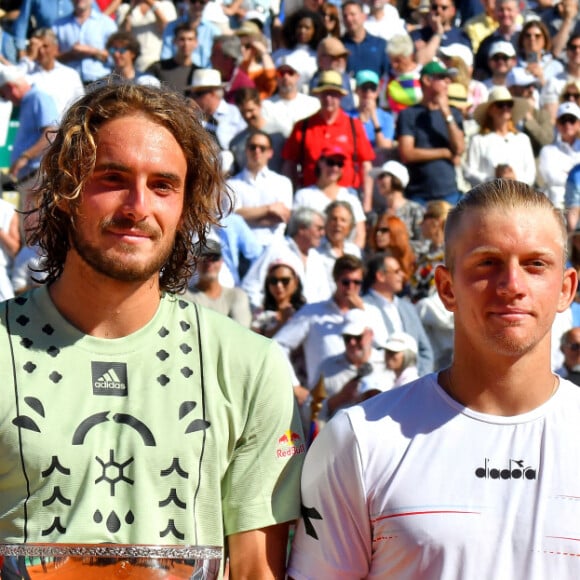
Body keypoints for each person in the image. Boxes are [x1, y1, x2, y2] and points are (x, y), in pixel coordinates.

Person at [0, 83, 304, 574]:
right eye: (112, 178)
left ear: (186, 208)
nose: (137, 206)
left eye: (163, 185)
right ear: (64, 192)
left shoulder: (250, 366)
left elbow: (255, 568)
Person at [288, 178, 580, 578]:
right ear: (446, 288)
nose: (512, 286)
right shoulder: (360, 440)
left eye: (535, 264)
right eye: (487, 263)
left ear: (566, 289)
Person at [274, 254, 388, 389]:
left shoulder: (371, 312)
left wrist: (361, 312)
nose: (351, 287)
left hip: (367, 393)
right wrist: (294, 386)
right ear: (336, 281)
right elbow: (278, 345)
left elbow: (383, 349)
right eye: (346, 282)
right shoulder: (313, 312)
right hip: (326, 398)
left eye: (357, 282)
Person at [282, 69, 375, 212]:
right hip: (311, 197)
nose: (328, 99)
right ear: (318, 95)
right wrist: (292, 195)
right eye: (325, 93)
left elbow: (366, 165)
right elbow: (289, 164)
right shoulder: (303, 126)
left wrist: (367, 201)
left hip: (345, 196)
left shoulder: (353, 125)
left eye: (333, 94)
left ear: (341, 97)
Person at [397, 60, 466, 205]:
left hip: (449, 192)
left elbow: (459, 148)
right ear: (427, 80)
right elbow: (407, 153)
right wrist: (444, 152)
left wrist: (446, 112)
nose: (447, 81)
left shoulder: (453, 114)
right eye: (441, 77)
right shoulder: (409, 114)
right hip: (418, 195)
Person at [363, 251, 433, 376]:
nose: (402, 275)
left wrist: (418, 379)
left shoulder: (408, 307)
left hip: (415, 384)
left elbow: (425, 350)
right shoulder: (363, 307)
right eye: (396, 271)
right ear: (380, 276)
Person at [227, 129, 293, 251]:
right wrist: (269, 209)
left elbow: (283, 216)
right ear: (246, 150)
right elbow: (233, 217)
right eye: (253, 147)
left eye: (262, 148)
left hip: (274, 248)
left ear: (270, 152)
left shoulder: (282, 182)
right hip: (242, 249)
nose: (257, 151)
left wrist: (247, 216)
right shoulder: (232, 184)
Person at [293, 145, 367, 249]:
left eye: (339, 164)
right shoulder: (303, 195)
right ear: (320, 163)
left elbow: (360, 233)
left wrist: (351, 255)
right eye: (330, 163)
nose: (335, 168)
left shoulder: (351, 195)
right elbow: (296, 231)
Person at [464, 86, 535, 187]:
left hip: (517, 197)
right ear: (490, 110)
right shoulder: (478, 140)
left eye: (509, 105)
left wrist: (514, 178)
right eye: (500, 105)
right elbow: (469, 172)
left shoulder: (522, 139)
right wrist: (493, 179)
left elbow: (530, 173)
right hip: (489, 198)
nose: (505, 108)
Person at [18, 27, 85, 122]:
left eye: (45, 46)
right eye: (37, 47)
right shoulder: (26, 73)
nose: (41, 51)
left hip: (63, 131)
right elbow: (11, 84)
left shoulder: (70, 75)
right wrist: (29, 58)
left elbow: (81, 106)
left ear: (55, 48)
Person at [186, 239, 252, 327]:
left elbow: (242, 331)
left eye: (214, 258)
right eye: (203, 258)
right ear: (195, 261)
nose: (209, 263)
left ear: (221, 261)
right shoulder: (184, 296)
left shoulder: (237, 295)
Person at [52, 0, 117, 85]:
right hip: (69, 83)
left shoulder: (106, 23)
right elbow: (51, 57)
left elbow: (117, 54)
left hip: (101, 82)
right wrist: (70, 54)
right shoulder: (58, 25)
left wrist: (92, 51)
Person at [538, 102, 580, 209]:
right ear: (557, 124)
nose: (567, 124)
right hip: (557, 206)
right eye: (563, 120)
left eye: (571, 120)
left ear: (578, 123)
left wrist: (566, 173)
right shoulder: (547, 151)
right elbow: (551, 178)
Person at [116, 0, 177, 72]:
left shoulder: (166, 5)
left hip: (159, 61)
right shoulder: (124, 8)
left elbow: (166, 30)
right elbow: (123, 36)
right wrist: (131, 8)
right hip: (136, 63)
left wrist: (151, 4)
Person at [411, 0, 472, 65]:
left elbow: (467, 66)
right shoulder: (417, 35)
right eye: (434, 7)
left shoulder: (461, 37)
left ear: (453, 11)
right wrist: (438, 32)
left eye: (444, 8)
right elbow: (421, 62)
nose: (438, 11)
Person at [146, 21, 200, 93]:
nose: (186, 44)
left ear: (196, 43)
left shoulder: (198, 72)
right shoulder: (158, 68)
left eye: (190, 39)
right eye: (182, 39)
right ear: (174, 41)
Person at [340, 0, 389, 78]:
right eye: (345, 16)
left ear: (364, 16)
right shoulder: (339, 46)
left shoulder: (380, 44)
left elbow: (388, 74)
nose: (349, 19)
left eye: (353, 14)